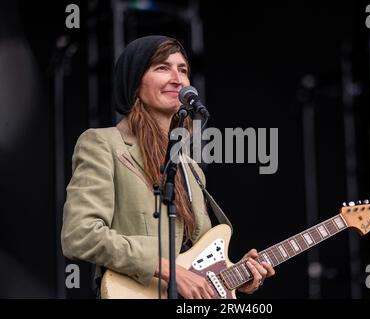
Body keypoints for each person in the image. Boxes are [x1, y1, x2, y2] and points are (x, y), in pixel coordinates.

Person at [61, 35, 275, 299]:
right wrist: (166, 269)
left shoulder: (190, 169)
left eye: (183, 69)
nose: (178, 78)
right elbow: (80, 235)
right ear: (134, 83)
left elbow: (196, 261)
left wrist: (231, 277)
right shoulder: (103, 143)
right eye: (162, 67)